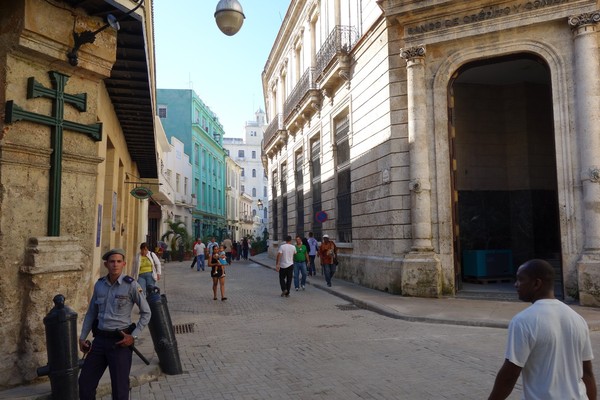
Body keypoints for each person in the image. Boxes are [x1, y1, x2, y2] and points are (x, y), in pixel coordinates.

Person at [488, 259, 596, 400]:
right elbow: (587, 373)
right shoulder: (578, 319)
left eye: (521, 280)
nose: (516, 285)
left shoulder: (523, 321)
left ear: (536, 284)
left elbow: (510, 375)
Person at [78, 248, 151, 400]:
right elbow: (91, 312)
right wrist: (82, 337)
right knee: (85, 383)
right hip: (99, 341)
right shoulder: (99, 285)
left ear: (123, 264)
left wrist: (134, 336)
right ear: (106, 264)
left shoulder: (131, 285)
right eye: (112, 262)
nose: (115, 265)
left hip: (120, 342)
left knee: (119, 388)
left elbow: (146, 313)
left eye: (118, 261)